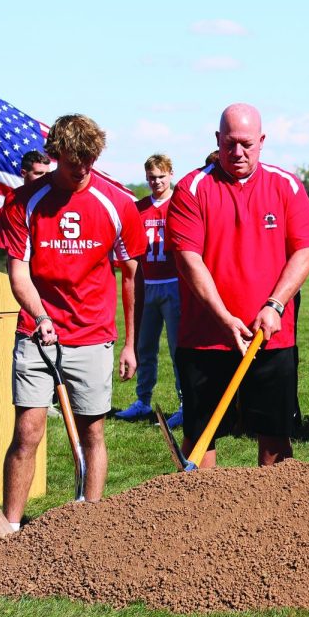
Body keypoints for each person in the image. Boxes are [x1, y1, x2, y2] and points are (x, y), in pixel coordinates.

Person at [0, 114, 145, 529]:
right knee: (28, 432)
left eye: (88, 161)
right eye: (71, 161)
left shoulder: (118, 204)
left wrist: (130, 343)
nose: (81, 169)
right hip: (36, 334)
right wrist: (41, 315)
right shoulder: (23, 202)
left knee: (91, 434)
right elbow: (19, 272)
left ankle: (87, 527)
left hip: (93, 334)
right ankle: (9, 530)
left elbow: (131, 274)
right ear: (54, 154)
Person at [166, 103, 309, 467]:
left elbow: (304, 252)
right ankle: (201, 517)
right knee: (201, 434)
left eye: (247, 144)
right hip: (206, 337)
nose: (238, 152)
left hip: (271, 336)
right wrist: (223, 317)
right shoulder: (192, 188)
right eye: (230, 143)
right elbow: (188, 258)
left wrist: (275, 304)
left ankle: (272, 517)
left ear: (262, 141)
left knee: (275, 436)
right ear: (217, 140)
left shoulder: (287, 186)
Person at [115, 155, 184, 427]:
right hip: (147, 283)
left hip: (174, 283)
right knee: (145, 346)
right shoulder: (138, 208)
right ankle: (142, 400)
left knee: (178, 348)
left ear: (170, 174)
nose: (156, 181)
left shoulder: (179, 203)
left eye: (161, 176)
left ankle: (184, 403)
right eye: (152, 177)